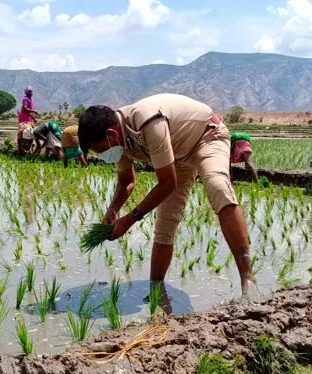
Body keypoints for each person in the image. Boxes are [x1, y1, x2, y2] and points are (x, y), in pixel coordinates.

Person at [78, 94, 256, 299]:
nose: (103, 155)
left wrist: (128, 220)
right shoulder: (118, 142)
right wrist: (113, 209)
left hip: (205, 137)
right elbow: (127, 181)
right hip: (177, 156)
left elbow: (167, 183)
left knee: (218, 186)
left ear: (111, 133)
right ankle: (156, 291)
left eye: (101, 150)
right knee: (165, 222)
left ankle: (248, 279)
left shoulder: (147, 121)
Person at [17, 86, 37, 154]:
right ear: (27, 93)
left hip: (29, 117)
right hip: (23, 117)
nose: (31, 93)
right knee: (22, 131)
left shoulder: (31, 99)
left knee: (31, 131)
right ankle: (19, 145)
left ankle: (29, 145)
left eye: (32, 91)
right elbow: (25, 108)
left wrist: (33, 118)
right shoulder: (25, 99)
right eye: (30, 92)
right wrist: (33, 111)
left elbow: (29, 112)